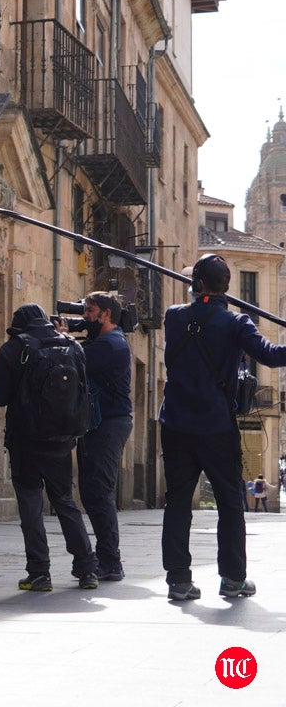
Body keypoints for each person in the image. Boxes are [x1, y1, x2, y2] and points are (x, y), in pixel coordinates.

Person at [159, 253, 286, 600]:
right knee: (230, 502)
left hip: (176, 424)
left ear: (197, 284)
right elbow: (272, 355)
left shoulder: (173, 317)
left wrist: (200, 297)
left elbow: (194, 307)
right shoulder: (236, 323)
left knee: (178, 502)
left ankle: (178, 581)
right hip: (216, 425)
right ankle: (232, 578)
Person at [0, 304, 98, 592]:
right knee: (64, 500)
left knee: (30, 504)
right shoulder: (73, 347)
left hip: (25, 439)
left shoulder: (13, 348)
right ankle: (87, 569)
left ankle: (39, 572)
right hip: (61, 439)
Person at [71, 292, 132, 582]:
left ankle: (111, 561)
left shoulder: (111, 344)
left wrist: (62, 336)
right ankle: (106, 558)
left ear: (106, 314)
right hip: (99, 423)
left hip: (109, 424)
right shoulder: (104, 342)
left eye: (90, 311)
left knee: (99, 491)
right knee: (92, 492)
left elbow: (76, 360)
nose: (86, 316)